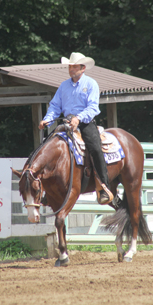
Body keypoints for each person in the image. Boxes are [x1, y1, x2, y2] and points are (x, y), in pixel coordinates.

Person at [38, 52, 114, 205]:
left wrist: (78, 118)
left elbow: (93, 107)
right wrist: (47, 119)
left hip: (85, 122)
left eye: (74, 66)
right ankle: (48, 190)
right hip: (66, 123)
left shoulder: (91, 84)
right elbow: (55, 106)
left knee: (95, 148)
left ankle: (103, 187)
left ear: (83, 68)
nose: (71, 69)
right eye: (70, 66)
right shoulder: (63, 86)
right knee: (46, 147)